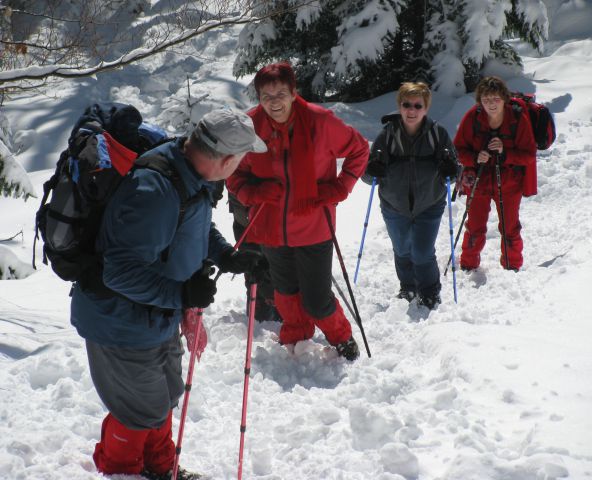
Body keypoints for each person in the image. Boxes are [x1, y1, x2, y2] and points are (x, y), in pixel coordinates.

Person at [70, 107, 269, 480]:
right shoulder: (154, 190)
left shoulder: (188, 173)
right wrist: (182, 294)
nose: (239, 166)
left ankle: (162, 467)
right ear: (226, 158)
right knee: (138, 409)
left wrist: (226, 255)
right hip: (122, 323)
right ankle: (120, 470)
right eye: (241, 159)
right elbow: (120, 271)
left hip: (156, 316)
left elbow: (193, 224)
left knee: (164, 395)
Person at [226, 62, 369, 361]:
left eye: (280, 93)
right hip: (270, 226)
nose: (274, 102)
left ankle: (341, 336)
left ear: (294, 93)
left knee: (317, 299)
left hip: (314, 225)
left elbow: (359, 150)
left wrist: (341, 188)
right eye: (266, 95)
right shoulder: (251, 127)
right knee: (286, 291)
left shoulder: (320, 121)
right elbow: (232, 172)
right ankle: (296, 336)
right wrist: (253, 192)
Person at [362, 82, 459, 309]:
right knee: (402, 250)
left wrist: (451, 169)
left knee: (423, 252)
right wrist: (373, 170)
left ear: (426, 107)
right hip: (394, 205)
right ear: (400, 106)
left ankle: (430, 290)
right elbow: (367, 176)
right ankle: (408, 287)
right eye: (407, 105)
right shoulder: (387, 135)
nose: (412, 110)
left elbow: (454, 172)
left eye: (418, 105)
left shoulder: (438, 134)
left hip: (429, 204)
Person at [453, 76, 537, 272]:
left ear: (504, 99)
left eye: (496, 99)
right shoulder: (473, 117)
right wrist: (475, 158)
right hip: (479, 180)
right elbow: (458, 150)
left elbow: (528, 155)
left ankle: (512, 266)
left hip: (508, 182)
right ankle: (468, 265)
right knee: (474, 226)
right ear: (480, 100)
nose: (491, 104)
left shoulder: (517, 119)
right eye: (486, 99)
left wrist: (505, 153)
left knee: (510, 228)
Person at [228, 191, 282, 322]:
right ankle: (262, 304)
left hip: (278, 210)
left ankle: (278, 304)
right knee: (253, 263)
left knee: (280, 264)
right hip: (246, 209)